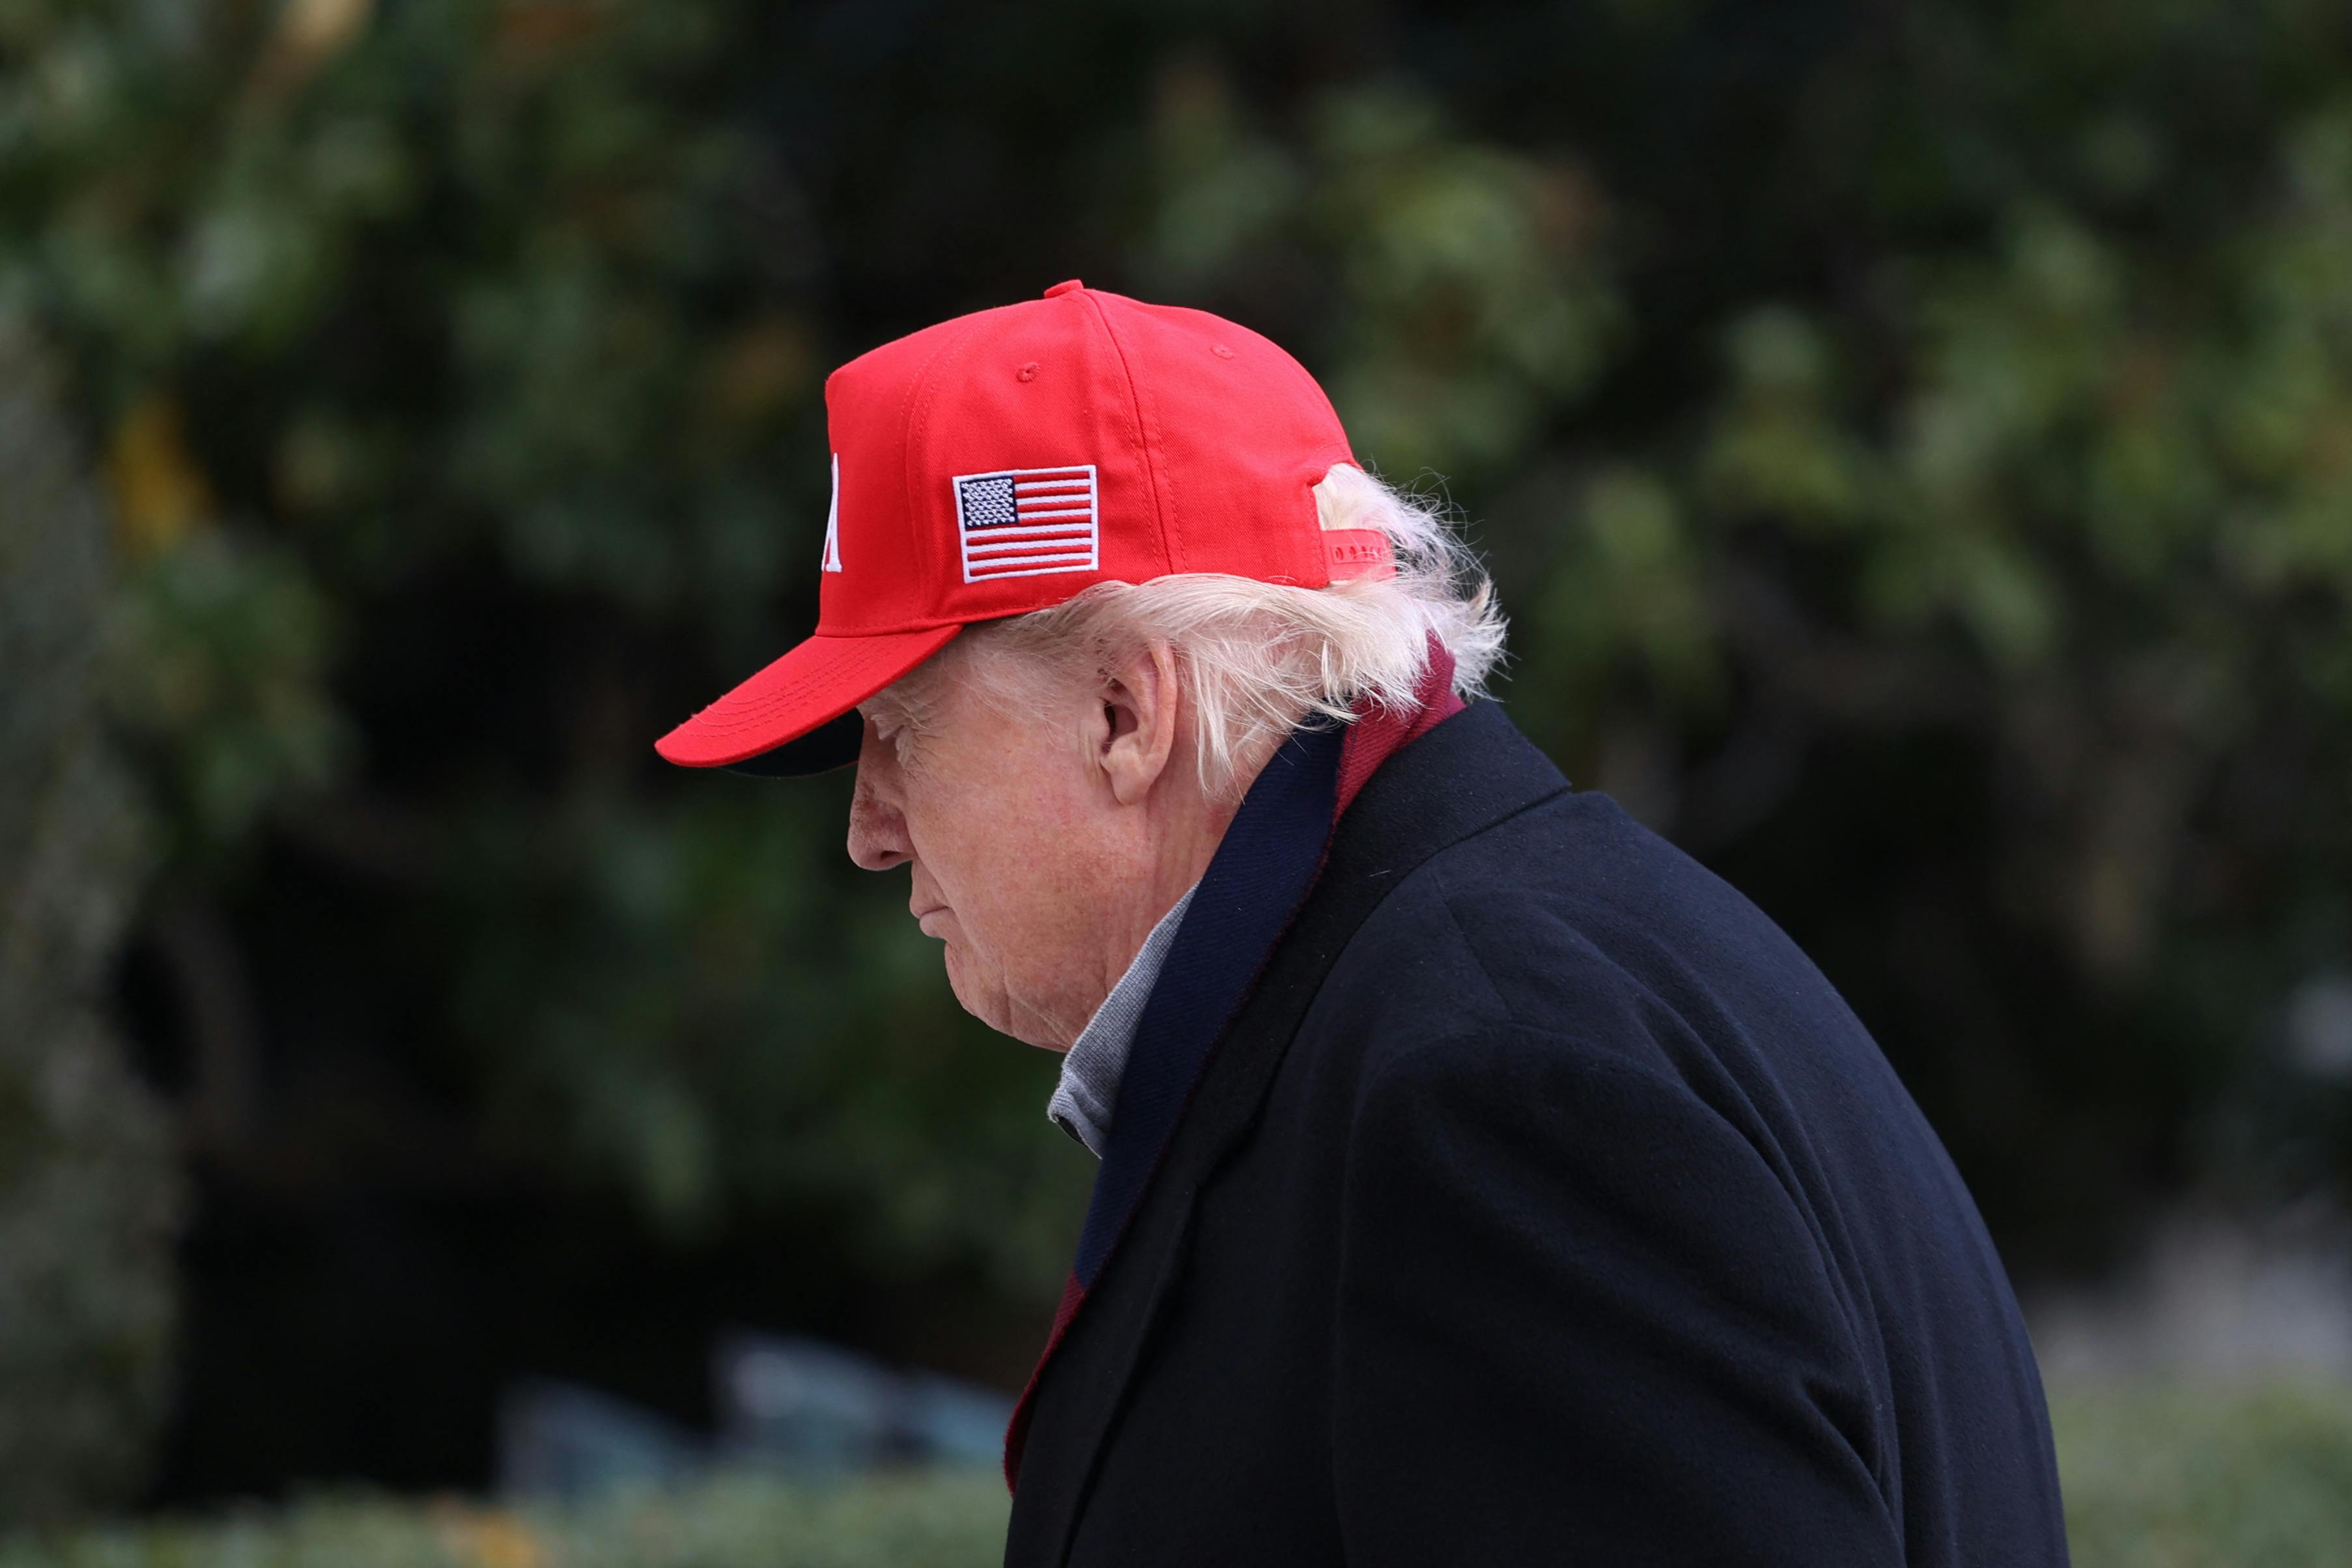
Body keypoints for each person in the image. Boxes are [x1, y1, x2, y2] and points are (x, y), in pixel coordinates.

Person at [655, 281, 2071, 1566]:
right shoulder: (1485, 992)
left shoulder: (1493, 1080)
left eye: (901, 731)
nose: (868, 825)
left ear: (1126, 715)